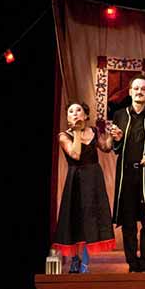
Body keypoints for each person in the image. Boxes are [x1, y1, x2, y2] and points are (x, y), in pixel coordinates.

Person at [109, 75, 145, 273]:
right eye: (136, 88)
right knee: (128, 221)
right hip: (126, 176)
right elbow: (116, 149)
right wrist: (117, 140)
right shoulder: (119, 115)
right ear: (130, 91)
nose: (139, 91)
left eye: (143, 89)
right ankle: (132, 263)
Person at [52, 101, 116, 273]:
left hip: (93, 179)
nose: (74, 113)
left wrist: (112, 136)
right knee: (75, 218)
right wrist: (77, 132)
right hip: (76, 180)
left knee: (91, 219)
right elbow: (75, 154)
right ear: (67, 118)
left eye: (78, 110)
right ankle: (75, 260)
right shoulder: (63, 136)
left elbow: (106, 147)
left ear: (86, 115)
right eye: (71, 111)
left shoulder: (94, 131)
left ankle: (85, 263)